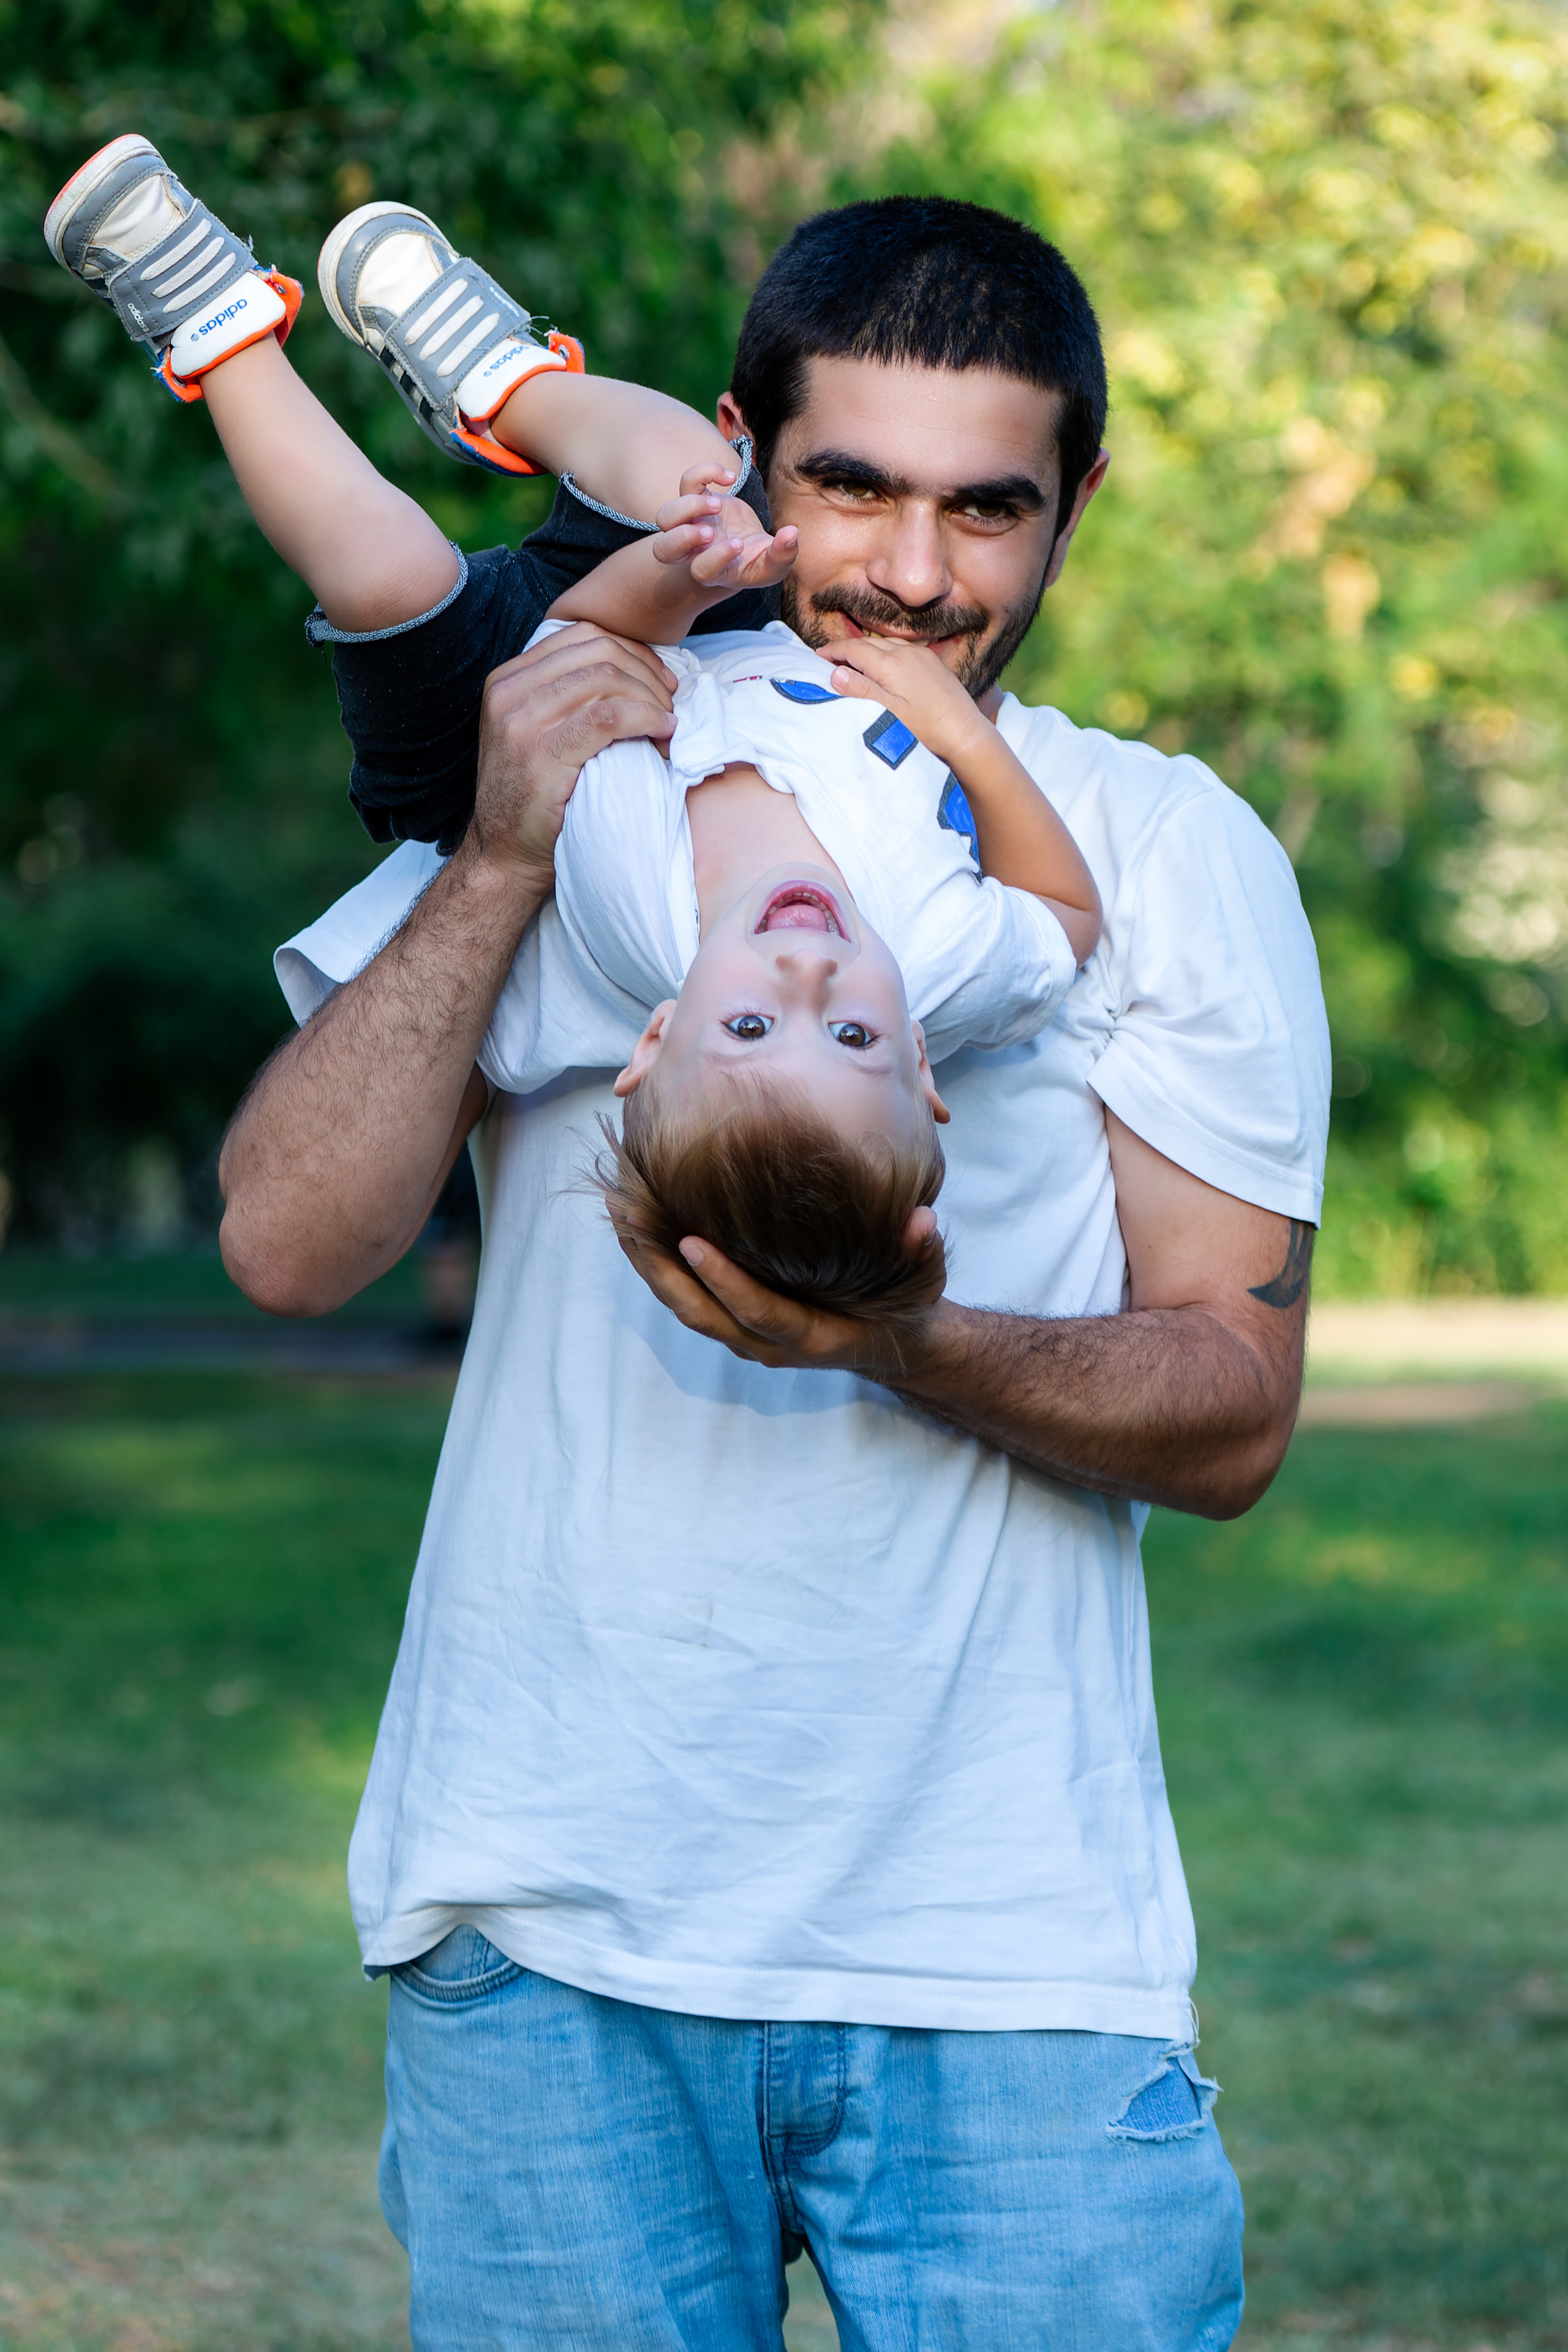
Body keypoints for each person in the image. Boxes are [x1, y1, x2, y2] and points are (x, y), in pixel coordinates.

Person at [67, 147, 1333, 2346]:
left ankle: (317, 344)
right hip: (553, 1931)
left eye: (988, 510)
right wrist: (499, 854)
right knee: (416, 580)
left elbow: (1229, 1407)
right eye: (850, 490)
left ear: (1080, 496)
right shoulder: (602, 787)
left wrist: (896, 1338)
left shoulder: (1160, 848)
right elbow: (285, 1241)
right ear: (754, 462)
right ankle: (431, 358)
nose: (912, 575)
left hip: (1007, 1952)